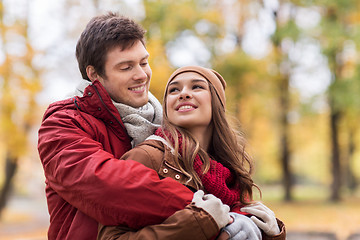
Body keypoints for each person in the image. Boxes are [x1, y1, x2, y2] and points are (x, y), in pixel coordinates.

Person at [37, 13, 232, 240]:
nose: (141, 75)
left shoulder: (164, 126)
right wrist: (200, 205)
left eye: (143, 62)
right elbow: (107, 186)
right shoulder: (63, 124)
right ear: (94, 75)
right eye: (126, 67)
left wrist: (244, 217)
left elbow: (218, 180)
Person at [97, 66, 286, 240]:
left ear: (216, 103)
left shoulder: (232, 172)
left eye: (197, 87)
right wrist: (199, 223)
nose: (183, 94)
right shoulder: (146, 157)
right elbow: (110, 237)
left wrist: (271, 235)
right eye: (174, 90)